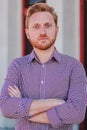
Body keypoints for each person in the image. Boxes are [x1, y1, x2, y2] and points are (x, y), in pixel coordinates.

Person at [0, 2, 86, 130]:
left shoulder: (73, 66)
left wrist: (23, 107)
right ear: (27, 33)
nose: (43, 32)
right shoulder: (17, 66)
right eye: (36, 26)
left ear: (56, 30)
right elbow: (6, 107)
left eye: (47, 25)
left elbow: (77, 113)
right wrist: (53, 103)